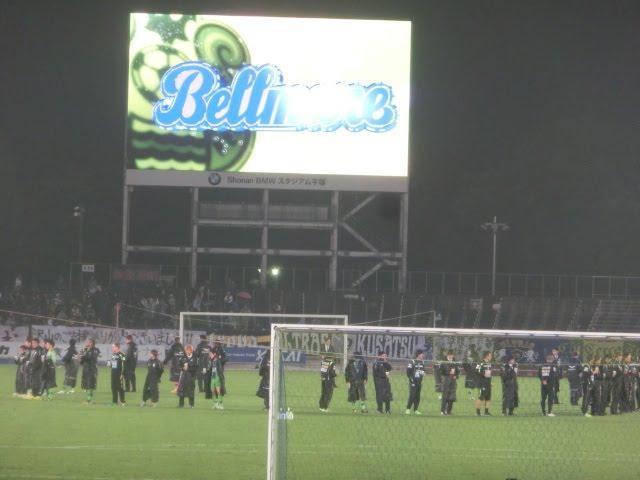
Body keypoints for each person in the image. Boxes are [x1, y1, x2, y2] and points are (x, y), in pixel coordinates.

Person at [78, 338, 100, 404]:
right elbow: (82, 361)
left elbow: (92, 358)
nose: (85, 343)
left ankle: (89, 400)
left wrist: (83, 356)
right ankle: (89, 399)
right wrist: (80, 359)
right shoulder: (85, 350)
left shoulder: (95, 350)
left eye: (87, 342)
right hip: (85, 369)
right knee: (86, 385)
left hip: (92, 369)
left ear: (91, 343)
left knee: (90, 385)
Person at [405, 349, 425, 415]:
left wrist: (422, 372)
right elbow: (408, 372)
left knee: (417, 396)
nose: (423, 355)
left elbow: (423, 370)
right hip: (413, 382)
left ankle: (416, 409)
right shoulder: (412, 362)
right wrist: (411, 379)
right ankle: (408, 409)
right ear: (418, 355)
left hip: (419, 382)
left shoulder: (422, 362)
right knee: (412, 395)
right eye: (422, 354)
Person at [439, 350, 459, 415]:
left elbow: (457, 371)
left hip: (453, 380)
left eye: (452, 355)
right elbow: (440, 371)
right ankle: (442, 411)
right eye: (450, 355)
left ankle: (449, 411)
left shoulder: (454, 361)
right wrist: (447, 373)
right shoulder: (443, 362)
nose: (451, 356)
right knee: (445, 395)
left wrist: (456, 375)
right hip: (446, 380)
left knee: (452, 395)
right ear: (447, 355)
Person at [475, 351, 493, 416]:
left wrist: (490, 382)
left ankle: (486, 412)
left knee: (488, 397)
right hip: (482, 383)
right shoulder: (480, 363)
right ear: (486, 356)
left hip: (488, 383)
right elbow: (476, 371)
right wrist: (483, 373)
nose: (491, 357)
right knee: (481, 397)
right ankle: (477, 412)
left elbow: (489, 374)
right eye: (490, 355)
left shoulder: (489, 364)